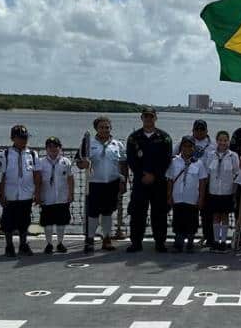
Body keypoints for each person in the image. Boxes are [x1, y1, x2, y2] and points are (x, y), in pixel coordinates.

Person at [127, 108, 173, 253]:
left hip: (159, 181)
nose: (148, 119)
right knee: (137, 213)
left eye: (151, 117)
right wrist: (142, 175)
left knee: (159, 213)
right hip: (140, 181)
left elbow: (167, 159)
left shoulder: (165, 137)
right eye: (146, 117)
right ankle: (136, 242)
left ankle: (160, 242)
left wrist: (154, 175)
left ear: (155, 118)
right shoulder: (133, 138)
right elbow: (131, 160)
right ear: (141, 118)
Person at [78, 116, 127, 253]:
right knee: (92, 214)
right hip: (94, 184)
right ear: (96, 129)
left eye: (107, 127)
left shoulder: (117, 145)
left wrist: (123, 181)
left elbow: (123, 164)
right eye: (101, 127)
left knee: (107, 213)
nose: (105, 130)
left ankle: (107, 239)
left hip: (111, 183)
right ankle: (90, 240)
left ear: (111, 128)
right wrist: (83, 164)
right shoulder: (88, 143)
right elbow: (79, 162)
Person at [1, 124, 40, 257]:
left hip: (26, 194)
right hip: (10, 194)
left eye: (25, 138)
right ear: (13, 138)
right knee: (8, 222)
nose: (23, 140)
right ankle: (9, 246)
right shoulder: (6, 154)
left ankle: (23, 244)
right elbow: (2, 176)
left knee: (25, 221)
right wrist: (1, 195)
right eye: (20, 138)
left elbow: (36, 175)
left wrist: (37, 192)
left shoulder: (33, 154)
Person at [167, 136, 209, 253]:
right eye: (185, 146)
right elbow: (170, 179)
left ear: (193, 148)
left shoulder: (199, 163)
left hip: (192, 198)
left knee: (192, 221)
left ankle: (190, 242)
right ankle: (178, 242)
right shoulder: (174, 161)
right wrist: (169, 196)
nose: (187, 149)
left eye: (190, 146)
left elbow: (202, 182)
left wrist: (201, 198)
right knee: (178, 220)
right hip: (178, 196)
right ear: (181, 148)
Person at [181, 120, 218, 248]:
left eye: (202, 129)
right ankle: (185, 236)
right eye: (197, 129)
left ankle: (208, 237)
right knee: (188, 211)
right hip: (189, 182)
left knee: (207, 213)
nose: (199, 132)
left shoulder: (213, 145)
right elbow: (174, 155)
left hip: (207, 182)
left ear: (207, 131)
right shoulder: (186, 141)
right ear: (193, 130)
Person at [37, 137, 74, 254]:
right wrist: (37, 194)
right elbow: (37, 180)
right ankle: (49, 243)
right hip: (46, 197)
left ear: (60, 148)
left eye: (56, 146)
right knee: (47, 223)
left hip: (62, 198)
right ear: (46, 149)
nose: (53, 149)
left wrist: (71, 194)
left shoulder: (65, 162)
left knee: (61, 223)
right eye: (50, 147)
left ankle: (59, 243)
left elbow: (70, 179)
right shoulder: (40, 162)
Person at [207, 131, 239, 251]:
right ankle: (216, 240)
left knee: (225, 216)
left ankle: (224, 241)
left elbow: (237, 174)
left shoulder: (233, 156)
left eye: (225, 140)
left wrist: (235, 193)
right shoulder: (211, 155)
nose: (223, 142)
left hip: (227, 192)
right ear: (217, 141)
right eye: (220, 140)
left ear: (228, 141)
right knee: (215, 216)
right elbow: (208, 173)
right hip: (214, 191)